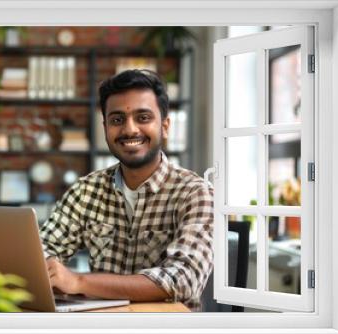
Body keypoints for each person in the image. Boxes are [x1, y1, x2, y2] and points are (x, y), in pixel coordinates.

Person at [39, 69, 213, 311]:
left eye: (143, 118)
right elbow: (41, 251)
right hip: (101, 325)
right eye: (117, 120)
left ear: (164, 126)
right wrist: (48, 268)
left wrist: (78, 281)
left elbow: (183, 280)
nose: (130, 130)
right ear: (105, 127)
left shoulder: (195, 193)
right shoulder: (86, 190)